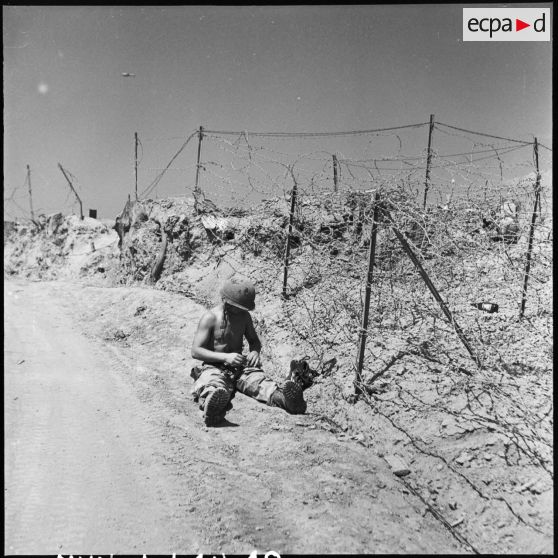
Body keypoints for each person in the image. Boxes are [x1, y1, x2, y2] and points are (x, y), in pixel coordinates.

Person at [190, 278, 308, 426]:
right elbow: (196, 351)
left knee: (260, 383)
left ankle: (287, 401)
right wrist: (225, 357)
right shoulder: (210, 317)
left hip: (239, 366)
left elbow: (254, 341)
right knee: (213, 384)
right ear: (225, 300)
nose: (239, 311)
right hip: (214, 366)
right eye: (236, 307)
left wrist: (254, 352)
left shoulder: (244, 317)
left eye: (242, 308)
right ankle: (212, 408)